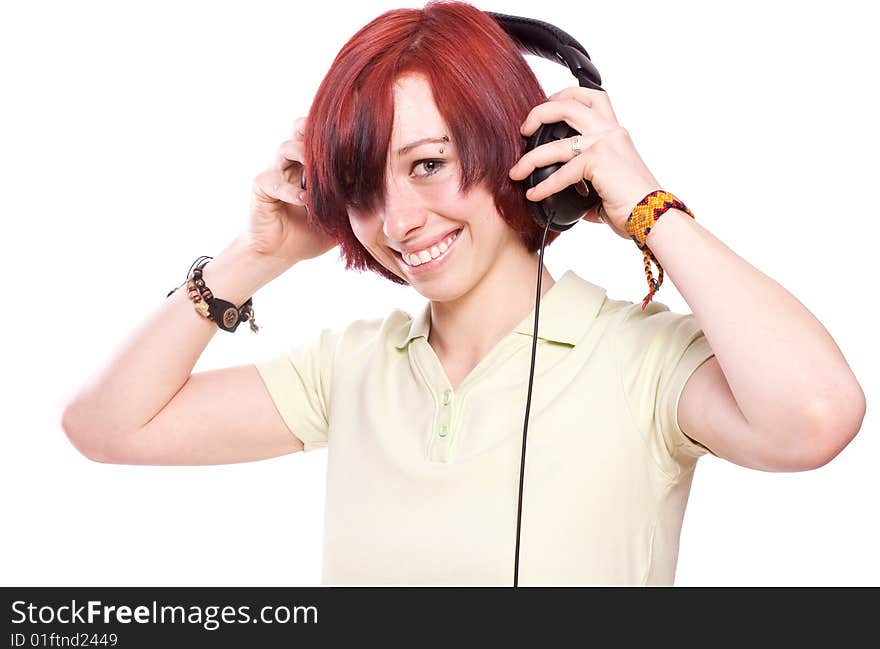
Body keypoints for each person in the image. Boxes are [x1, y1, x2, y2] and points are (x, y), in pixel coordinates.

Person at [60, 0, 866, 586]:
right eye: (363, 188)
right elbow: (105, 424)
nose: (399, 221)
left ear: (531, 153)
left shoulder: (641, 361)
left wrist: (644, 202)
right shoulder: (350, 368)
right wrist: (253, 254)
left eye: (427, 164)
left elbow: (817, 417)